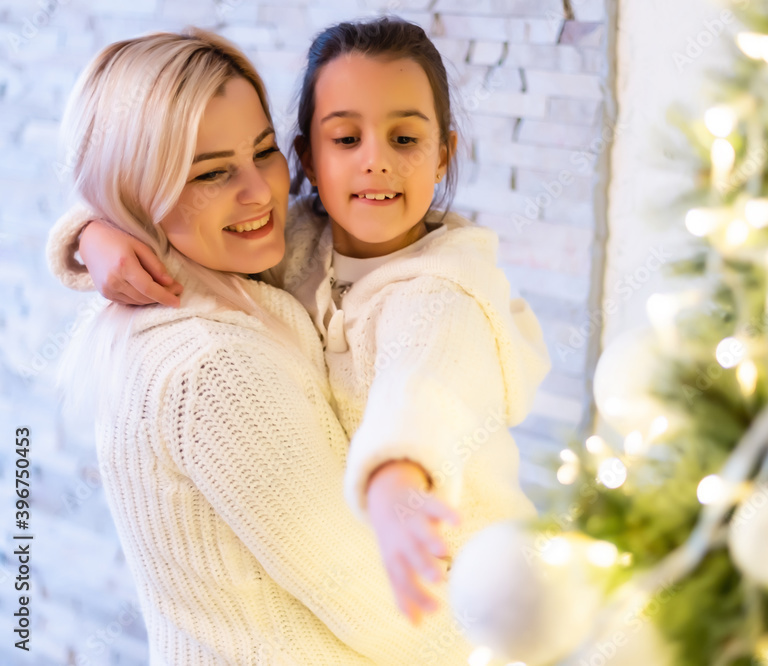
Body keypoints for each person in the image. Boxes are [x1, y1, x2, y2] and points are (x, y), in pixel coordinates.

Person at [51, 28, 484, 665]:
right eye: (212, 173)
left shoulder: (235, 285)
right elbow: (382, 601)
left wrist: (89, 232)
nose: (262, 192)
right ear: (137, 192)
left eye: (263, 152)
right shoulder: (210, 365)